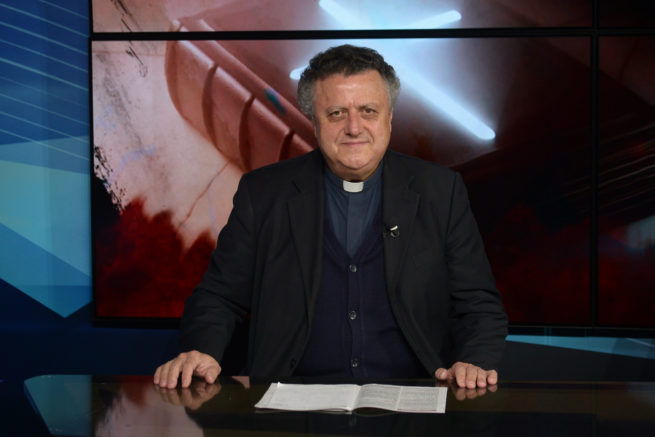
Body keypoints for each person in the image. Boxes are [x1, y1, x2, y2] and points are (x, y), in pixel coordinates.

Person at [154, 44, 507, 390]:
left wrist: (473, 361)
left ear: (389, 117)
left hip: (413, 400)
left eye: (368, 111)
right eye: (336, 113)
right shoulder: (262, 193)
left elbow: (479, 304)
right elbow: (219, 296)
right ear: (313, 121)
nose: (354, 127)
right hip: (289, 401)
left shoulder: (441, 191)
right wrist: (203, 351)